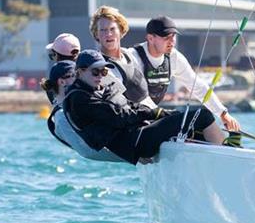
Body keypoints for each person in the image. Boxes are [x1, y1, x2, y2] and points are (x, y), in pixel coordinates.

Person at [64, 50, 228, 165]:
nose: (101, 76)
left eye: (104, 71)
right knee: (202, 116)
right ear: (80, 72)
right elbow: (119, 117)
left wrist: (161, 114)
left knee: (193, 128)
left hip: (137, 134)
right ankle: (227, 160)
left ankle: (226, 152)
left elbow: (128, 106)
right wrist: (154, 113)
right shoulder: (79, 99)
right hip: (134, 142)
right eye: (95, 72)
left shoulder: (94, 90)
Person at [130, 15, 241, 133]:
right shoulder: (133, 57)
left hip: (153, 118)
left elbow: (198, 87)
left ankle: (225, 148)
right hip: (131, 121)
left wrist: (223, 113)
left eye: (173, 36)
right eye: (166, 37)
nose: (171, 42)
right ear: (150, 38)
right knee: (203, 117)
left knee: (204, 121)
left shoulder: (174, 57)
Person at [44, 60, 123, 162]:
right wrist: (132, 156)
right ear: (62, 82)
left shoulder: (79, 103)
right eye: (77, 75)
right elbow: (88, 151)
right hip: (129, 153)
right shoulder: (61, 117)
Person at [88, 5, 154, 107]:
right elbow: (123, 106)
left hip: (151, 112)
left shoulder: (131, 55)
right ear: (96, 34)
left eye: (112, 29)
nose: (108, 34)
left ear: (121, 30)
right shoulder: (101, 69)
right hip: (134, 118)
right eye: (103, 30)